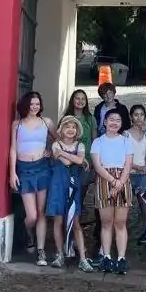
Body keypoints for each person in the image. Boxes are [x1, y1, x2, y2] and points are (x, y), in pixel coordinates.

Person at [9, 91, 55, 266]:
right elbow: (13, 149)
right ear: (25, 105)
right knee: (32, 215)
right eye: (31, 104)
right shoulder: (17, 124)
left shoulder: (47, 122)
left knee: (41, 212)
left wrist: (50, 151)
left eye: (37, 104)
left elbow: (59, 140)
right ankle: (28, 233)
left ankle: (41, 251)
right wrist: (12, 172)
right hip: (24, 170)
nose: (34, 107)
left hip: (42, 168)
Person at [47, 116, 94, 272]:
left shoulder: (80, 145)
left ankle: (82, 257)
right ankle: (59, 254)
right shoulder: (55, 144)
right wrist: (79, 159)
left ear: (77, 130)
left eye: (73, 127)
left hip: (74, 186)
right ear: (61, 129)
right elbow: (70, 162)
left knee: (76, 222)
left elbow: (79, 161)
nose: (70, 129)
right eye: (67, 126)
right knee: (58, 220)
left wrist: (69, 156)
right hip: (58, 185)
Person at [91, 109, 134, 274]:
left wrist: (120, 182)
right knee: (106, 222)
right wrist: (113, 181)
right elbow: (97, 165)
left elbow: (128, 164)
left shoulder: (125, 141)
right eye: (111, 119)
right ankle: (107, 256)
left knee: (120, 222)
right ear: (105, 122)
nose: (114, 123)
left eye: (118, 120)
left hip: (122, 180)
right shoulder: (98, 142)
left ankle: (121, 258)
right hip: (104, 180)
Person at [63, 89, 96, 204]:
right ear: (72, 100)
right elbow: (61, 142)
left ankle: (77, 217)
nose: (80, 101)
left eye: (83, 99)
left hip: (86, 162)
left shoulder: (90, 119)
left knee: (81, 193)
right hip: (69, 161)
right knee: (69, 193)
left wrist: (93, 160)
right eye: (77, 98)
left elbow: (94, 141)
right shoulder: (66, 118)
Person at [126, 104, 146, 243]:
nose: (139, 117)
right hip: (128, 174)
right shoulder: (126, 134)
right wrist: (136, 167)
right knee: (125, 206)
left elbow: (145, 155)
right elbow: (124, 157)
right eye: (136, 114)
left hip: (142, 175)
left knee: (144, 205)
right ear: (131, 117)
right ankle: (121, 232)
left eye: (141, 114)